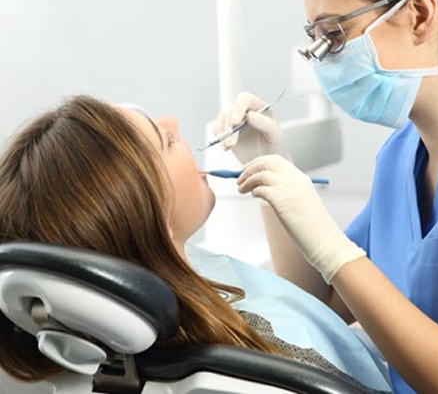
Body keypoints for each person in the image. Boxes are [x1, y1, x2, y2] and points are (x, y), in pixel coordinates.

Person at [212, 0, 438, 393]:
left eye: (334, 35)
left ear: (419, 14)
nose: (321, 61)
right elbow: (322, 296)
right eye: (315, 39)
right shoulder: (401, 155)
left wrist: (335, 248)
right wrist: (269, 167)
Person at [0, 95, 391, 393]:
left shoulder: (165, 288)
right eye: (166, 140)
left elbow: (305, 306)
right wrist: (331, 250)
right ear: (152, 225)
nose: (173, 121)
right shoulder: (258, 358)